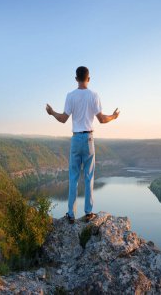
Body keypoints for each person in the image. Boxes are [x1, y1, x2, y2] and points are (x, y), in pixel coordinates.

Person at [46, 66, 120, 224]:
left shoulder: (70, 96)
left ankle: (71, 215)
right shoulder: (94, 95)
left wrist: (52, 112)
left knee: (73, 177)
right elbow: (101, 119)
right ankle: (88, 213)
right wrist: (114, 116)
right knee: (89, 177)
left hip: (75, 139)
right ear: (89, 78)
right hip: (88, 139)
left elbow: (63, 119)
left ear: (75, 79)